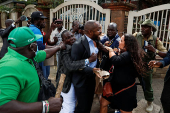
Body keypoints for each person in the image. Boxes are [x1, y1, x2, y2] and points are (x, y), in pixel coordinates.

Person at [0, 27, 64, 113]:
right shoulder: (9, 67)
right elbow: (3, 106)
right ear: (32, 47)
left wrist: (59, 47)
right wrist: (46, 106)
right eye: (36, 43)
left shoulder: (27, 55)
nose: (37, 46)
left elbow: (46, 53)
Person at [100, 33, 148, 113]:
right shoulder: (124, 53)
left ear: (127, 44)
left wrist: (111, 50)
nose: (119, 41)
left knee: (125, 111)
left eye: (121, 40)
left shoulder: (128, 54)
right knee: (103, 103)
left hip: (125, 90)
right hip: (114, 88)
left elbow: (115, 60)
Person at [56, 30, 98, 113]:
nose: (72, 38)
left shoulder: (74, 46)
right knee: (69, 107)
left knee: (73, 104)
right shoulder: (65, 49)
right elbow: (70, 66)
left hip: (74, 81)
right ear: (63, 41)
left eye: (72, 36)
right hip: (66, 82)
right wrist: (88, 60)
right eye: (68, 38)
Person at [133, 19, 167, 112]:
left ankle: (149, 102)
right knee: (130, 83)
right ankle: (132, 101)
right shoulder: (136, 36)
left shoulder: (156, 40)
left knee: (147, 85)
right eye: (142, 26)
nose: (142, 28)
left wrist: (154, 50)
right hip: (135, 65)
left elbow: (165, 53)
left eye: (145, 27)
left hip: (147, 66)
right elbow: (128, 44)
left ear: (151, 29)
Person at [71, 20, 105, 113]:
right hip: (81, 81)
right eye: (98, 30)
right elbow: (74, 65)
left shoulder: (96, 41)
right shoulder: (78, 45)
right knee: (82, 107)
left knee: (89, 104)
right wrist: (91, 69)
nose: (101, 32)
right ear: (90, 32)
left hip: (91, 78)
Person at [29, 11, 56, 79]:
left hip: (37, 57)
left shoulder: (33, 28)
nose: (43, 21)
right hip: (39, 57)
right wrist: (57, 48)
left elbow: (43, 41)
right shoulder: (35, 30)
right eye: (41, 19)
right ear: (35, 20)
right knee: (43, 76)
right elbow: (40, 46)